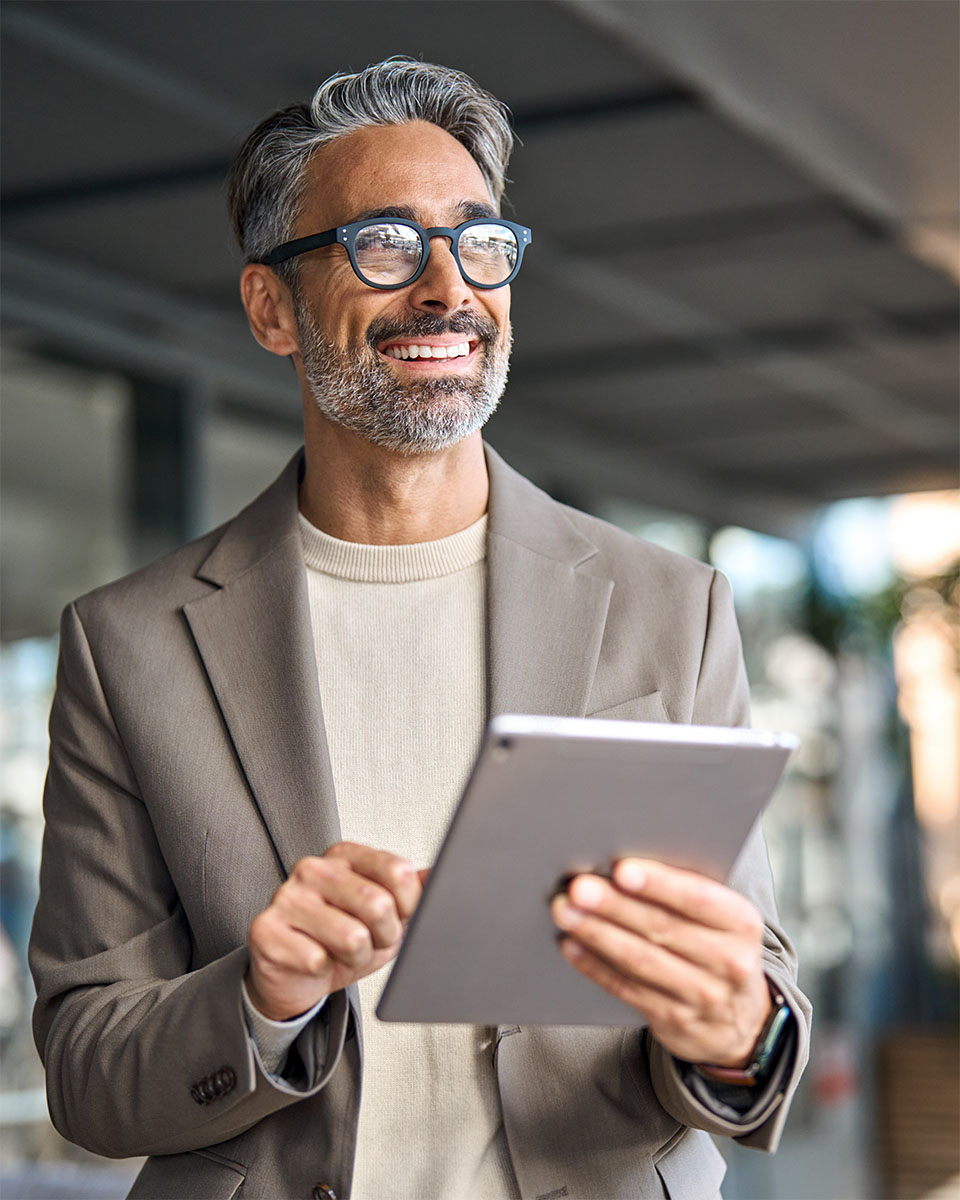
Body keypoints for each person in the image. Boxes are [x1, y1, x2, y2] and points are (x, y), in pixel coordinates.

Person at [30, 58, 810, 1200]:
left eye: (478, 242)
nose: (448, 289)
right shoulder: (128, 646)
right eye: (386, 244)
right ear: (270, 308)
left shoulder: (669, 606)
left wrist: (739, 1026)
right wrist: (261, 992)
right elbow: (88, 1072)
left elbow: (757, 991)